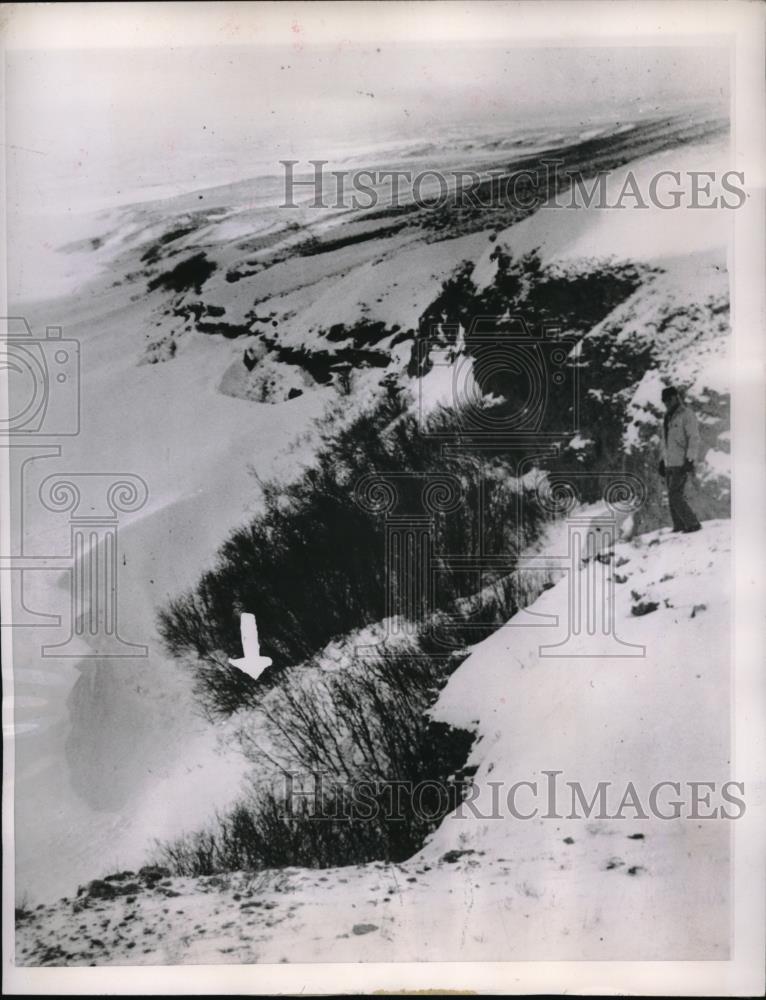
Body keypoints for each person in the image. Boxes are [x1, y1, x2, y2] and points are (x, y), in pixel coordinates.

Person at [658, 385, 702, 533]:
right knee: (672, 496)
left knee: (674, 494)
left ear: (676, 397)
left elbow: (693, 438)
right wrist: (662, 461)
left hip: (681, 462)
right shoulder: (667, 417)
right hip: (670, 463)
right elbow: (665, 441)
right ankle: (679, 525)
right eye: (664, 401)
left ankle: (692, 523)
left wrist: (690, 459)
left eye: (669, 400)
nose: (667, 403)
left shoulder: (686, 414)